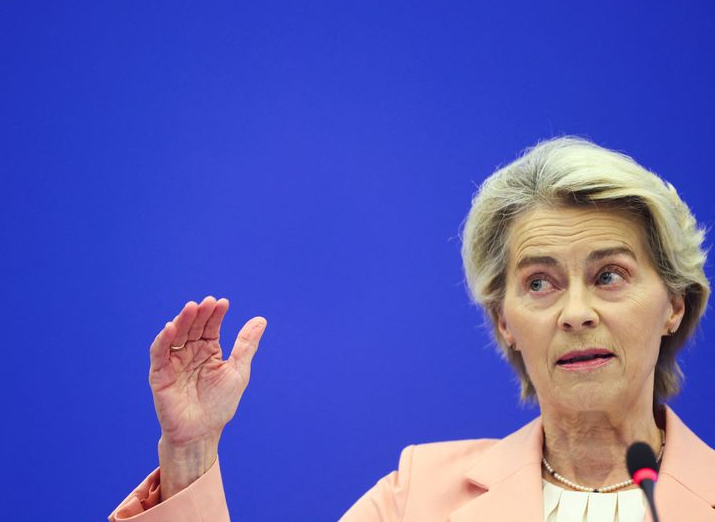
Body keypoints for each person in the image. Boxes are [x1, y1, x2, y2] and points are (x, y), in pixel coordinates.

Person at [109, 137, 715, 521]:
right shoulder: (418, 496)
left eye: (610, 275)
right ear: (504, 321)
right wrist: (191, 453)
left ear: (674, 305)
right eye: (539, 283)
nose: (576, 312)